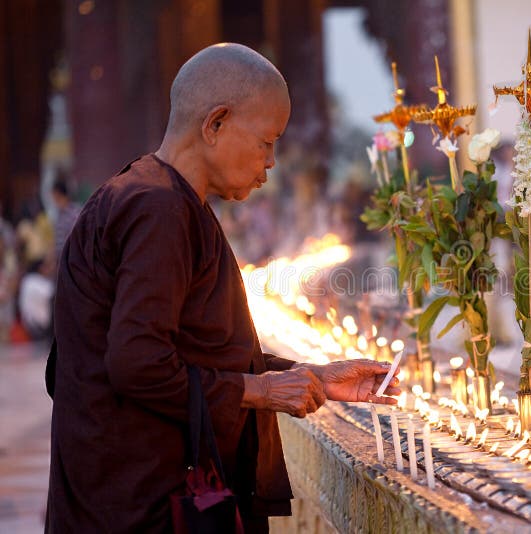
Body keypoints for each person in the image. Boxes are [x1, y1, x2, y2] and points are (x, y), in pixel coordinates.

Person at [46, 43, 400, 533]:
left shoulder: (158, 196)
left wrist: (311, 375)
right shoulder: (157, 209)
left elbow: (192, 351)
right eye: (266, 141)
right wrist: (261, 389)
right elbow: (137, 363)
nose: (271, 161)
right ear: (215, 124)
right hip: (139, 506)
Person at [50, 176, 81, 262]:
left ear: (57, 194)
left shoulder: (74, 213)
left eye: (53, 195)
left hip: (71, 260)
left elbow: (77, 238)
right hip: (61, 261)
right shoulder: (60, 214)